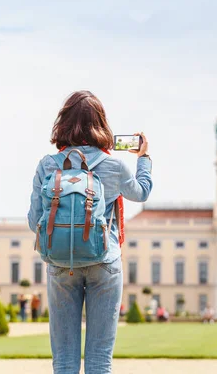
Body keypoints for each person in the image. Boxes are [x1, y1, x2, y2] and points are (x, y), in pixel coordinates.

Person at [27, 90, 153, 374]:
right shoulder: (114, 164)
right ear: (101, 123)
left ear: (63, 122)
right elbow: (142, 192)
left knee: (64, 361)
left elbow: (34, 220)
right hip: (104, 262)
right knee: (99, 360)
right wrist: (143, 158)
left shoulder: (47, 165)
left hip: (60, 264)